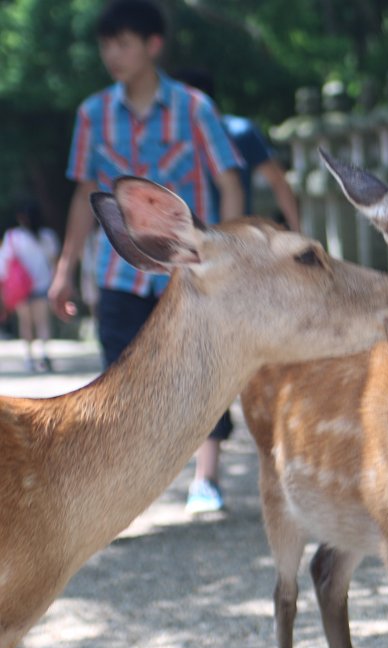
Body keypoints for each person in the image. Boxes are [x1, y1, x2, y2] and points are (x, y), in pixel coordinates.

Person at [48, 0, 245, 514]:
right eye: (106, 44)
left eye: (124, 43)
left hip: (187, 270)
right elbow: (83, 194)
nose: (112, 53)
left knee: (204, 371)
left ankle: (206, 478)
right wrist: (65, 268)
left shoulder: (196, 108)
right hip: (117, 269)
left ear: (152, 46)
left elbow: (228, 180)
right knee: (117, 376)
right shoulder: (91, 114)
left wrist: (224, 252)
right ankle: (119, 491)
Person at [176, 69, 300, 231]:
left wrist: (297, 231)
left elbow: (278, 181)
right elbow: (278, 181)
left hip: (235, 239)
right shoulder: (174, 139)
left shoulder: (240, 133)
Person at [1, 201, 57, 372]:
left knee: (25, 323)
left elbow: (4, 263)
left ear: (21, 217)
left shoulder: (13, 236)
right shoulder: (48, 236)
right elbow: (53, 261)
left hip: (21, 288)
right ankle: (45, 355)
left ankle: (29, 357)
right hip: (43, 284)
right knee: (43, 322)